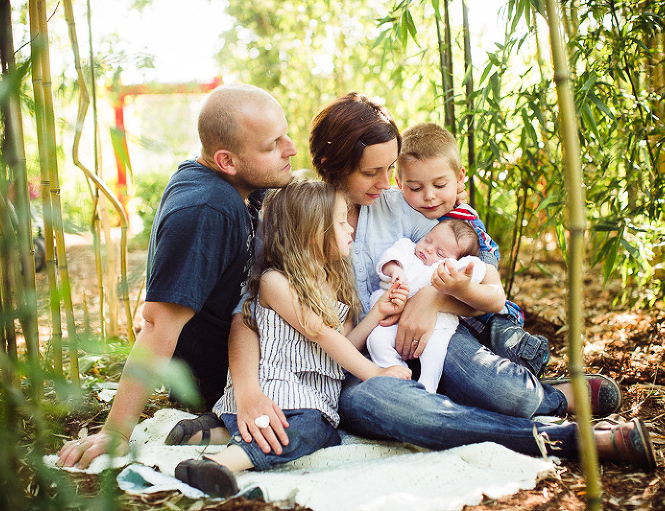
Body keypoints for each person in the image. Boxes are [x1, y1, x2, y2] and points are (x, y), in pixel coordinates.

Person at [224, 92, 654, 471]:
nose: (388, 183)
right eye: (372, 172)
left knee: (506, 392)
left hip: (432, 338)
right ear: (333, 166)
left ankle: (552, 401)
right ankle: (561, 439)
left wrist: (431, 297)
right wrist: (247, 393)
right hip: (354, 367)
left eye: (391, 169)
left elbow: (486, 293)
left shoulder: (409, 207)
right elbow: (250, 314)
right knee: (384, 404)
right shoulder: (297, 213)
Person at [56, 83, 298, 470]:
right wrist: (116, 432)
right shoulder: (205, 210)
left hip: (250, 351)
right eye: (273, 145)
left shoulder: (237, 184)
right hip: (227, 382)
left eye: (285, 134)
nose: (290, 148)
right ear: (226, 160)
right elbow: (156, 325)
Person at [170, 180, 412, 497]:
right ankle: (221, 463)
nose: (350, 228)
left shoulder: (338, 282)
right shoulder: (275, 282)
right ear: (313, 231)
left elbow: (343, 347)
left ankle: (215, 432)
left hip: (313, 396)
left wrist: (376, 314)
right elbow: (319, 332)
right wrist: (376, 374)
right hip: (276, 386)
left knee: (325, 431)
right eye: (341, 221)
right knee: (311, 429)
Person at [397, 122, 552, 378]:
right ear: (398, 183)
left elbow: (494, 298)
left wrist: (461, 288)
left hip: (483, 315)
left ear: (459, 179)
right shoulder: (399, 216)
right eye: (415, 188)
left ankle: (528, 358)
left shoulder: (464, 224)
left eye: (439, 185)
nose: (429, 197)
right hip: (445, 329)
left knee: (501, 336)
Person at [367, 219, 487, 393]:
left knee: (435, 352)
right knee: (376, 340)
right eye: (428, 240)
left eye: (440, 252)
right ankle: (398, 372)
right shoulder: (407, 249)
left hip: (435, 326)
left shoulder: (445, 269)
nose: (429, 249)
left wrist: (461, 273)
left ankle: (428, 386)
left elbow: (476, 269)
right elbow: (391, 257)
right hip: (393, 322)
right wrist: (395, 270)